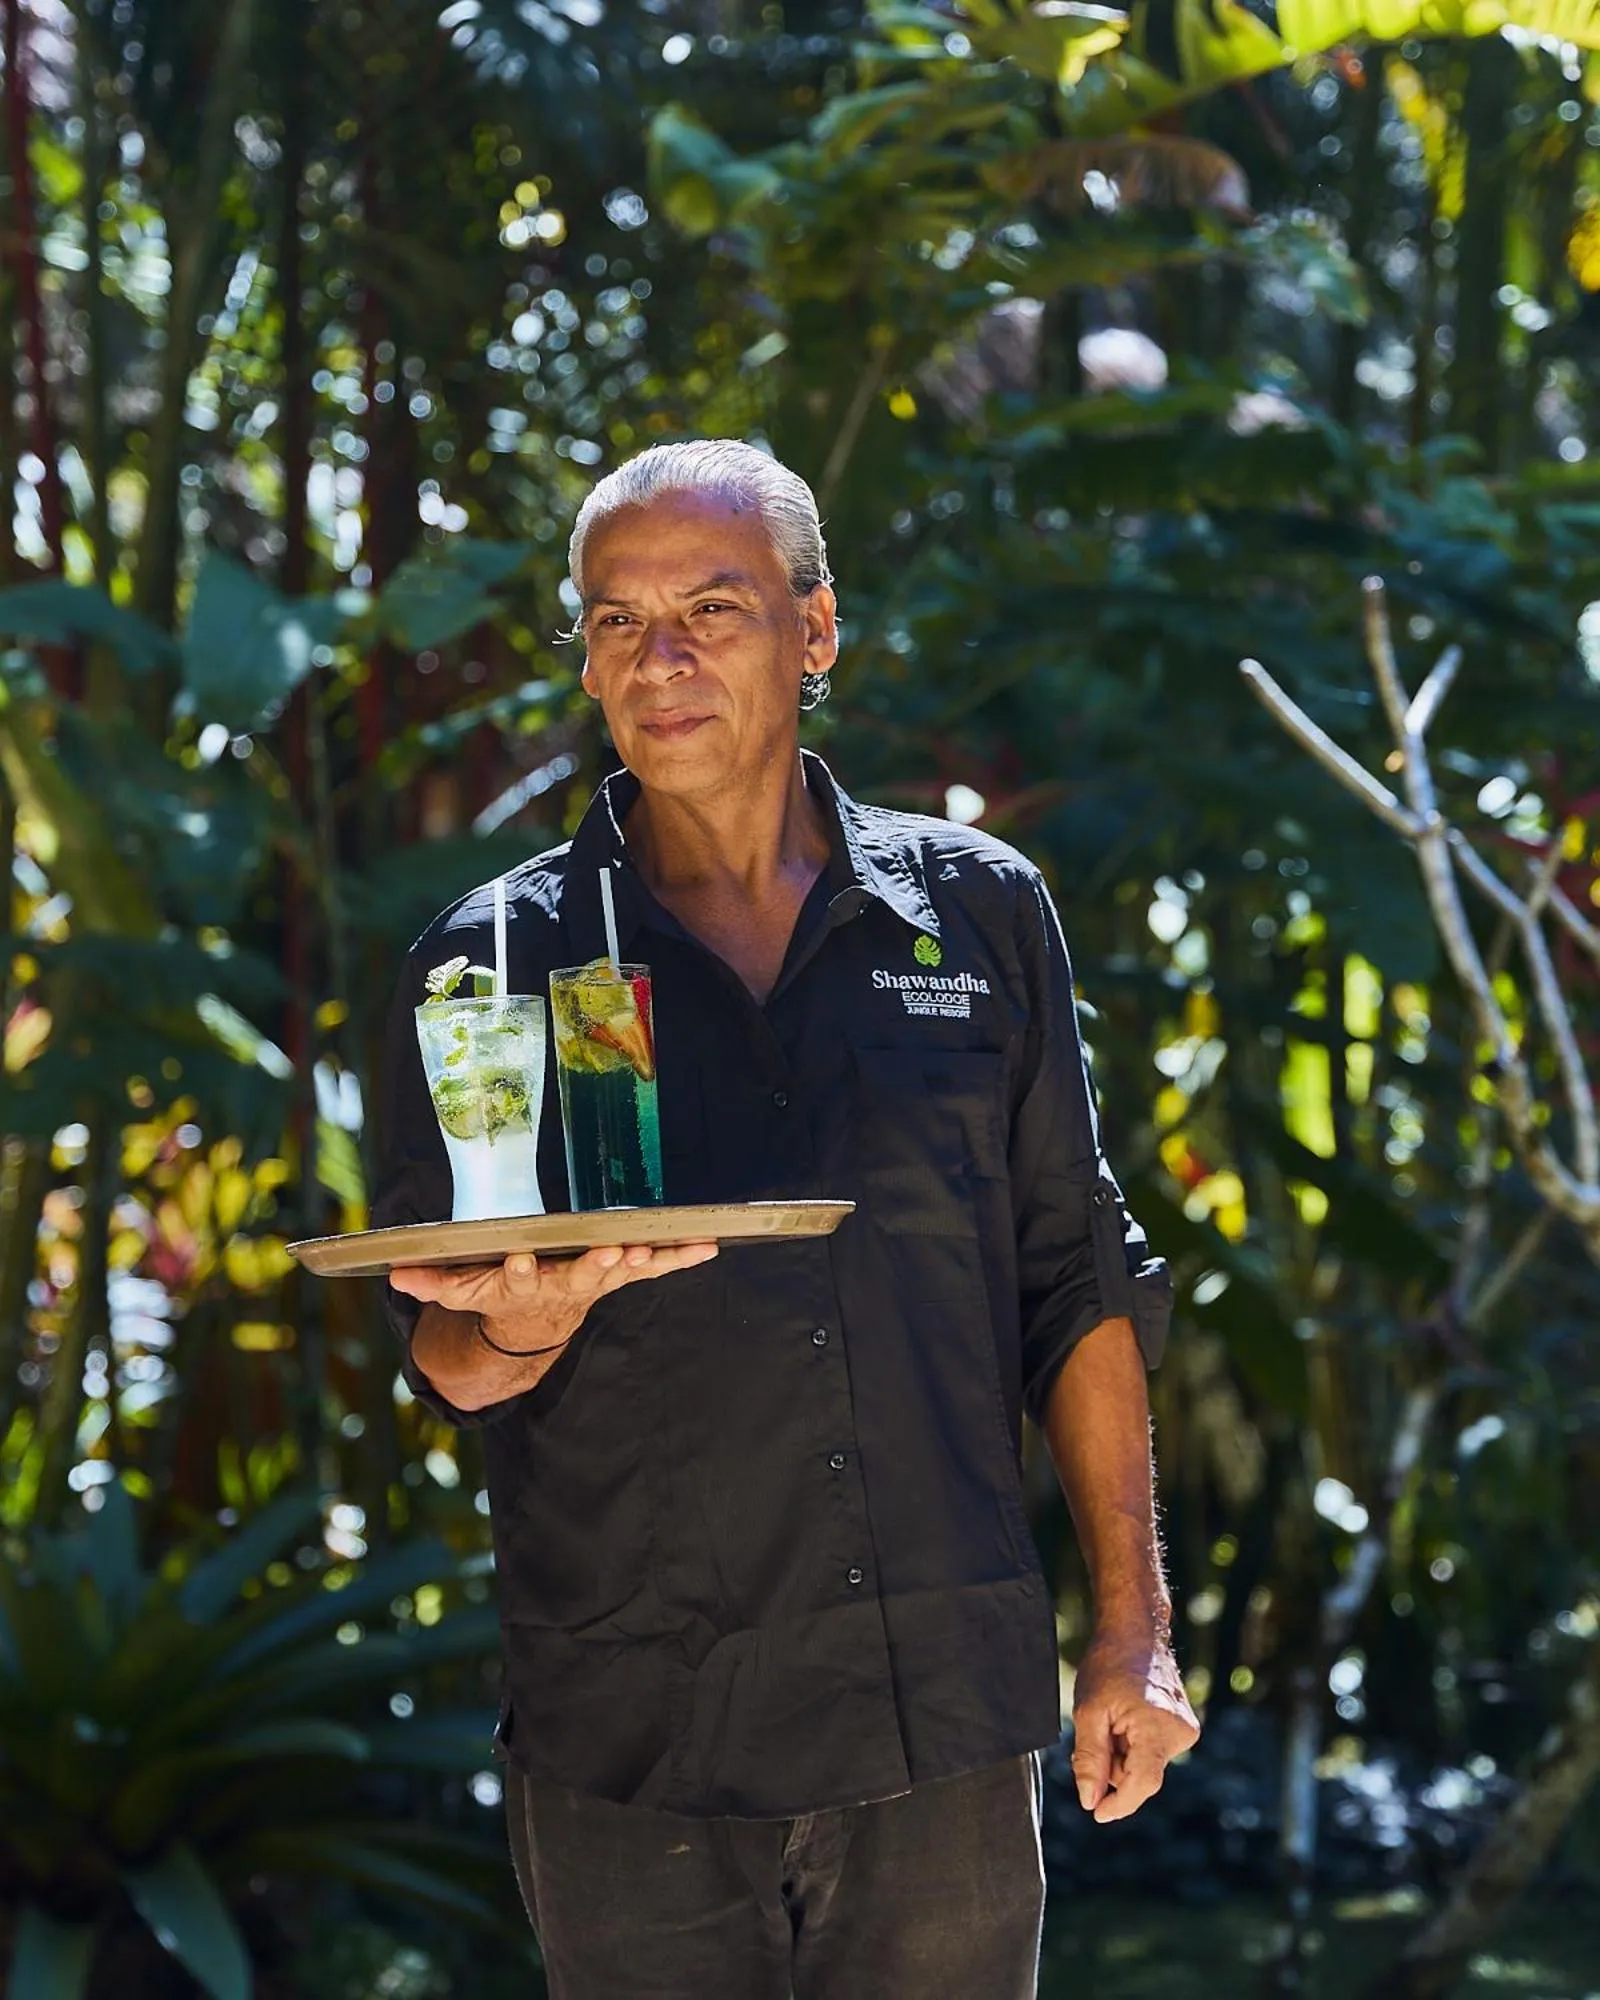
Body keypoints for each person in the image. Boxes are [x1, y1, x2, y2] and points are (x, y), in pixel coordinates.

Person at [375, 439, 1199, 1999]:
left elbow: (1074, 1281)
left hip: (937, 1714)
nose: (660, 659)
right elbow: (446, 1355)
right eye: (616, 621)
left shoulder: (978, 915)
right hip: (637, 1734)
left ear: (816, 632)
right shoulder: (488, 965)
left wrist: (1133, 1632)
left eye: (712, 609)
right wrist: (513, 1324)